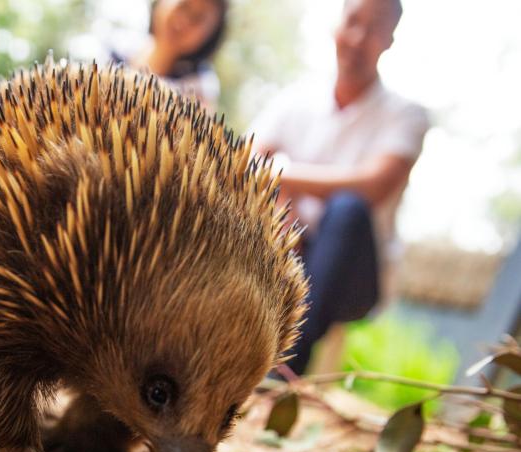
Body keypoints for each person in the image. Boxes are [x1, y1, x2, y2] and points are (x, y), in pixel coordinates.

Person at [249, 0, 430, 375]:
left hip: (354, 276)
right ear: (337, 25)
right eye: (353, 22)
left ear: (390, 40)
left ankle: (281, 372)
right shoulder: (295, 99)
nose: (359, 38)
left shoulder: (406, 115)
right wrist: (281, 205)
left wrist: (281, 176)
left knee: (347, 209)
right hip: (286, 248)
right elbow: (249, 165)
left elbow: (374, 186)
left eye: (374, 29)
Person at [109, 0, 228, 108]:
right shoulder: (111, 47)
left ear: (210, 37)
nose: (184, 21)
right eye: (183, 6)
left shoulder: (200, 87)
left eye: (197, 18)